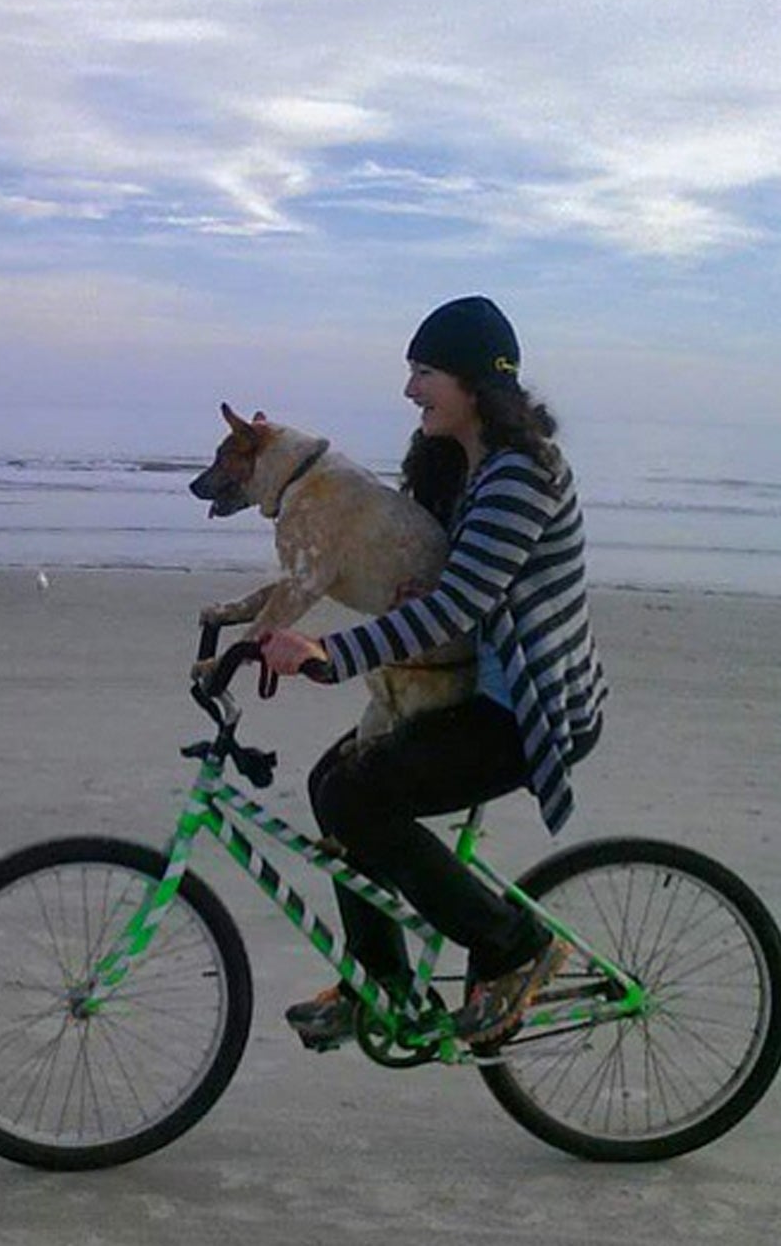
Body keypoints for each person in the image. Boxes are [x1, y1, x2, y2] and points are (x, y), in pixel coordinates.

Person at [259, 296, 607, 1050]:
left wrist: (330, 653)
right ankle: (378, 983)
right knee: (334, 783)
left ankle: (518, 947)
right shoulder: (461, 467)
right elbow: (440, 581)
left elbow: (461, 603)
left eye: (425, 373)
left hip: (534, 711)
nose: (410, 390)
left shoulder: (522, 474)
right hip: (480, 691)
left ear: (476, 383)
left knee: (362, 795)